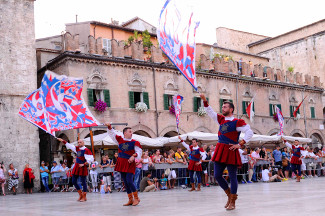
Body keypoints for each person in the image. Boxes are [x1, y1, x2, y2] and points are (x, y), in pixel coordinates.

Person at [201, 93, 253, 211]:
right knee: (217, 175)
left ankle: (233, 202)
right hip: (220, 148)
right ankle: (229, 195)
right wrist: (204, 100)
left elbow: (250, 132)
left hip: (231, 149)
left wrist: (240, 144)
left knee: (232, 176)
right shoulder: (221, 119)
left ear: (231, 109)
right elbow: (210, 112)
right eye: (222, 107)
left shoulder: (237, 122)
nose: (223, 108)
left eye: (225, 107)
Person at [105, 123, 142, 206]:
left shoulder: (135, 142)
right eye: (130, 132)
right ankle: (130, 199)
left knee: (129, 180)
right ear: (125, 133)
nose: (131, 133)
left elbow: (139, 152)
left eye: (132, 132)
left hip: (129, 163)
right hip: (121, 163)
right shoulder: (120, 140)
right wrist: (109, 127)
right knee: (125, 182)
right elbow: (112, 134)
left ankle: (136, 198)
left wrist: (133, 156)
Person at [57, 138, 94, 202]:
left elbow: (91, 159)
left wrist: (84, 164)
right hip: (77, 166)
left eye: (80, 142)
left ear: (83, 143)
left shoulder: (86, 150)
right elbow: (69, 145)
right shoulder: (77, 148)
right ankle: (80, 194)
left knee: (83, 181)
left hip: (82, 166)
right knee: (74, 181)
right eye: (78, 142)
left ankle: (84, 196)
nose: (79, 143)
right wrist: (62, 140)